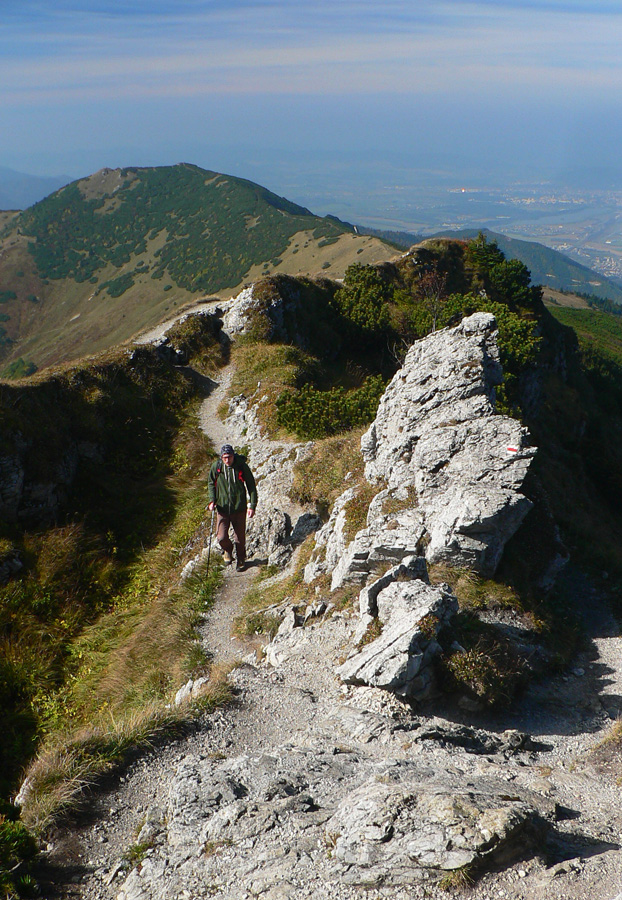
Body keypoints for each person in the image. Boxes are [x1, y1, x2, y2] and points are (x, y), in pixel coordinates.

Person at [207, 444, 257, 572]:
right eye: (224, 457)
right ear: (221, 457)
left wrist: (252, 505)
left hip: (239, 507)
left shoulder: (241, 466)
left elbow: (251, 486)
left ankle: (241, 559)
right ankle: (228, 550)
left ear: (233, 455)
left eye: (229, 457)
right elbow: (211, 483)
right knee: (221, 537)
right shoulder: (217, 467)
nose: (227, 460)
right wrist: (212, 500)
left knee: (239, 538)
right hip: (222, 508)